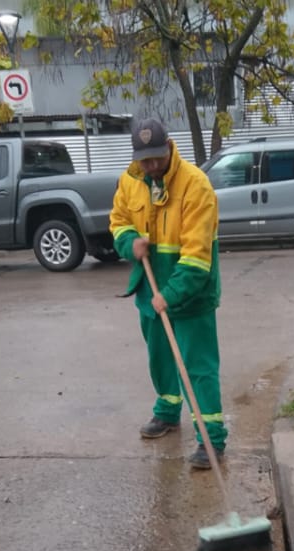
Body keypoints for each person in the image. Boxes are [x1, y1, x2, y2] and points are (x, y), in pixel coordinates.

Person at [108, 117, 227, 470]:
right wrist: (130, 243)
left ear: (169, 147)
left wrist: (171, 294)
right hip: (150, 290)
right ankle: (167, 410)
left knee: (198, 368)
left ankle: (212, 439)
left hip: (190, 295)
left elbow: (196, 258)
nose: (151, 166)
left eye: (157, 158)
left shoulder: (195, 186)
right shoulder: (131, 181)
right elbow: (118, 221)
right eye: (144, 160)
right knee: (160, 359)